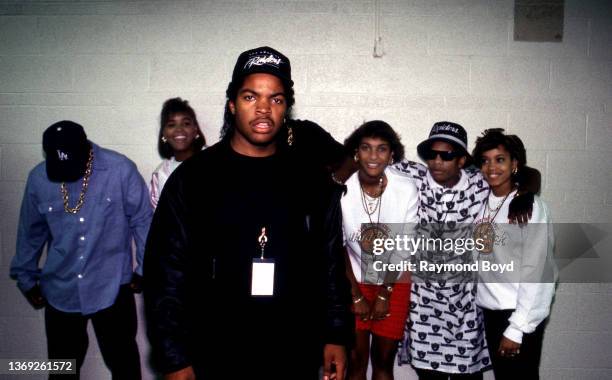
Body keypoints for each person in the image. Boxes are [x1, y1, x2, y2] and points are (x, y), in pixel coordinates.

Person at [144, 46, 353, 380]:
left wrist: (336, 334)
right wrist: (174, 357)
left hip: (292, 349)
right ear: (232, 105)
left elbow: (330, 263)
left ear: (286, 108)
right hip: (215, 350)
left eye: (276, 99)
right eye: (250, 97)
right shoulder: (194, 179)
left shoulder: (311, 179)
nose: (264, 109)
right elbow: (166, 273)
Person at [10, 120, 152, 379]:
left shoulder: (120, 169)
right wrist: (26, 277)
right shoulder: (39, 178)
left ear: (87, 150)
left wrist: (144, 268)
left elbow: (143, 221)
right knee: (62, 369)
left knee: (125, 367)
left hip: (112, 287)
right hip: (60, 289)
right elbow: (30, 232)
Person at [393, 122, 491, 379]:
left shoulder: (480, 184)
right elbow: (368, 159)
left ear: (462, 160)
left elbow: (525, 173)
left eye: (446, 155)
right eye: (431, 154)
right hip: (424, 304)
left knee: (468, 374)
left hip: (465, 305)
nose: (436, 161)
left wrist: (526, 190)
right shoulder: (414, 176)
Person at [472, 129, 556, 380]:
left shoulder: (529, 208)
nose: (491, 167)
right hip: (491, 312)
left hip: (517, 314)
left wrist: (517, 328)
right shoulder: (484, 201)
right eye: (485, 160)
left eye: (500, 159)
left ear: (514, 163)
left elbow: (539, 271)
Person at [341, 121, 418, 380]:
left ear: (392, 154)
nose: (373, 157)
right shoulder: (342, 187)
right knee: (356, 360)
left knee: (384, 361)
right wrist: (355, 295)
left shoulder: (405, 187)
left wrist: (385, 292)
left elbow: (404, 245)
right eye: (366, 148)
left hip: (393, 280)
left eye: (381, 149)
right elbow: (336, 246)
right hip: (353, 279)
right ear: (356, 152)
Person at [150, 97, 206, 209]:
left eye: (186, 123)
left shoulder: (217, 162)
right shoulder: (159, 175)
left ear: (195, 130)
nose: (179, 129)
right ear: (163, 134)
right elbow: (158, 218)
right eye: (171, 125)